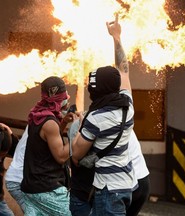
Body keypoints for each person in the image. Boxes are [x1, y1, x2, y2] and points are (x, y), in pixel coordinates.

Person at [72, 14, 135, 216]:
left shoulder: (96, 118)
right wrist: (116, 37)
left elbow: (77, 154)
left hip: (108, 190)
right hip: (126, 185)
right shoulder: (127, 104)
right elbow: (123, 69)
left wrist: (78, 127)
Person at [20, 76, 77, 216]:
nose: (67, 101)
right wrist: (78, 133)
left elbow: (47, 139)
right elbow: (61, 157)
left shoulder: (38, 114)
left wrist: (63, 122)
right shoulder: (50, 123)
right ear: (58, 100)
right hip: (47, 188)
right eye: (64, 98)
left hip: (31, 188)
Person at [68, 120, 150, 216]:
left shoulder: (94, 122)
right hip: (141, 181)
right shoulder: (123, 118)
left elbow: (76, 159)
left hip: (117, 186)